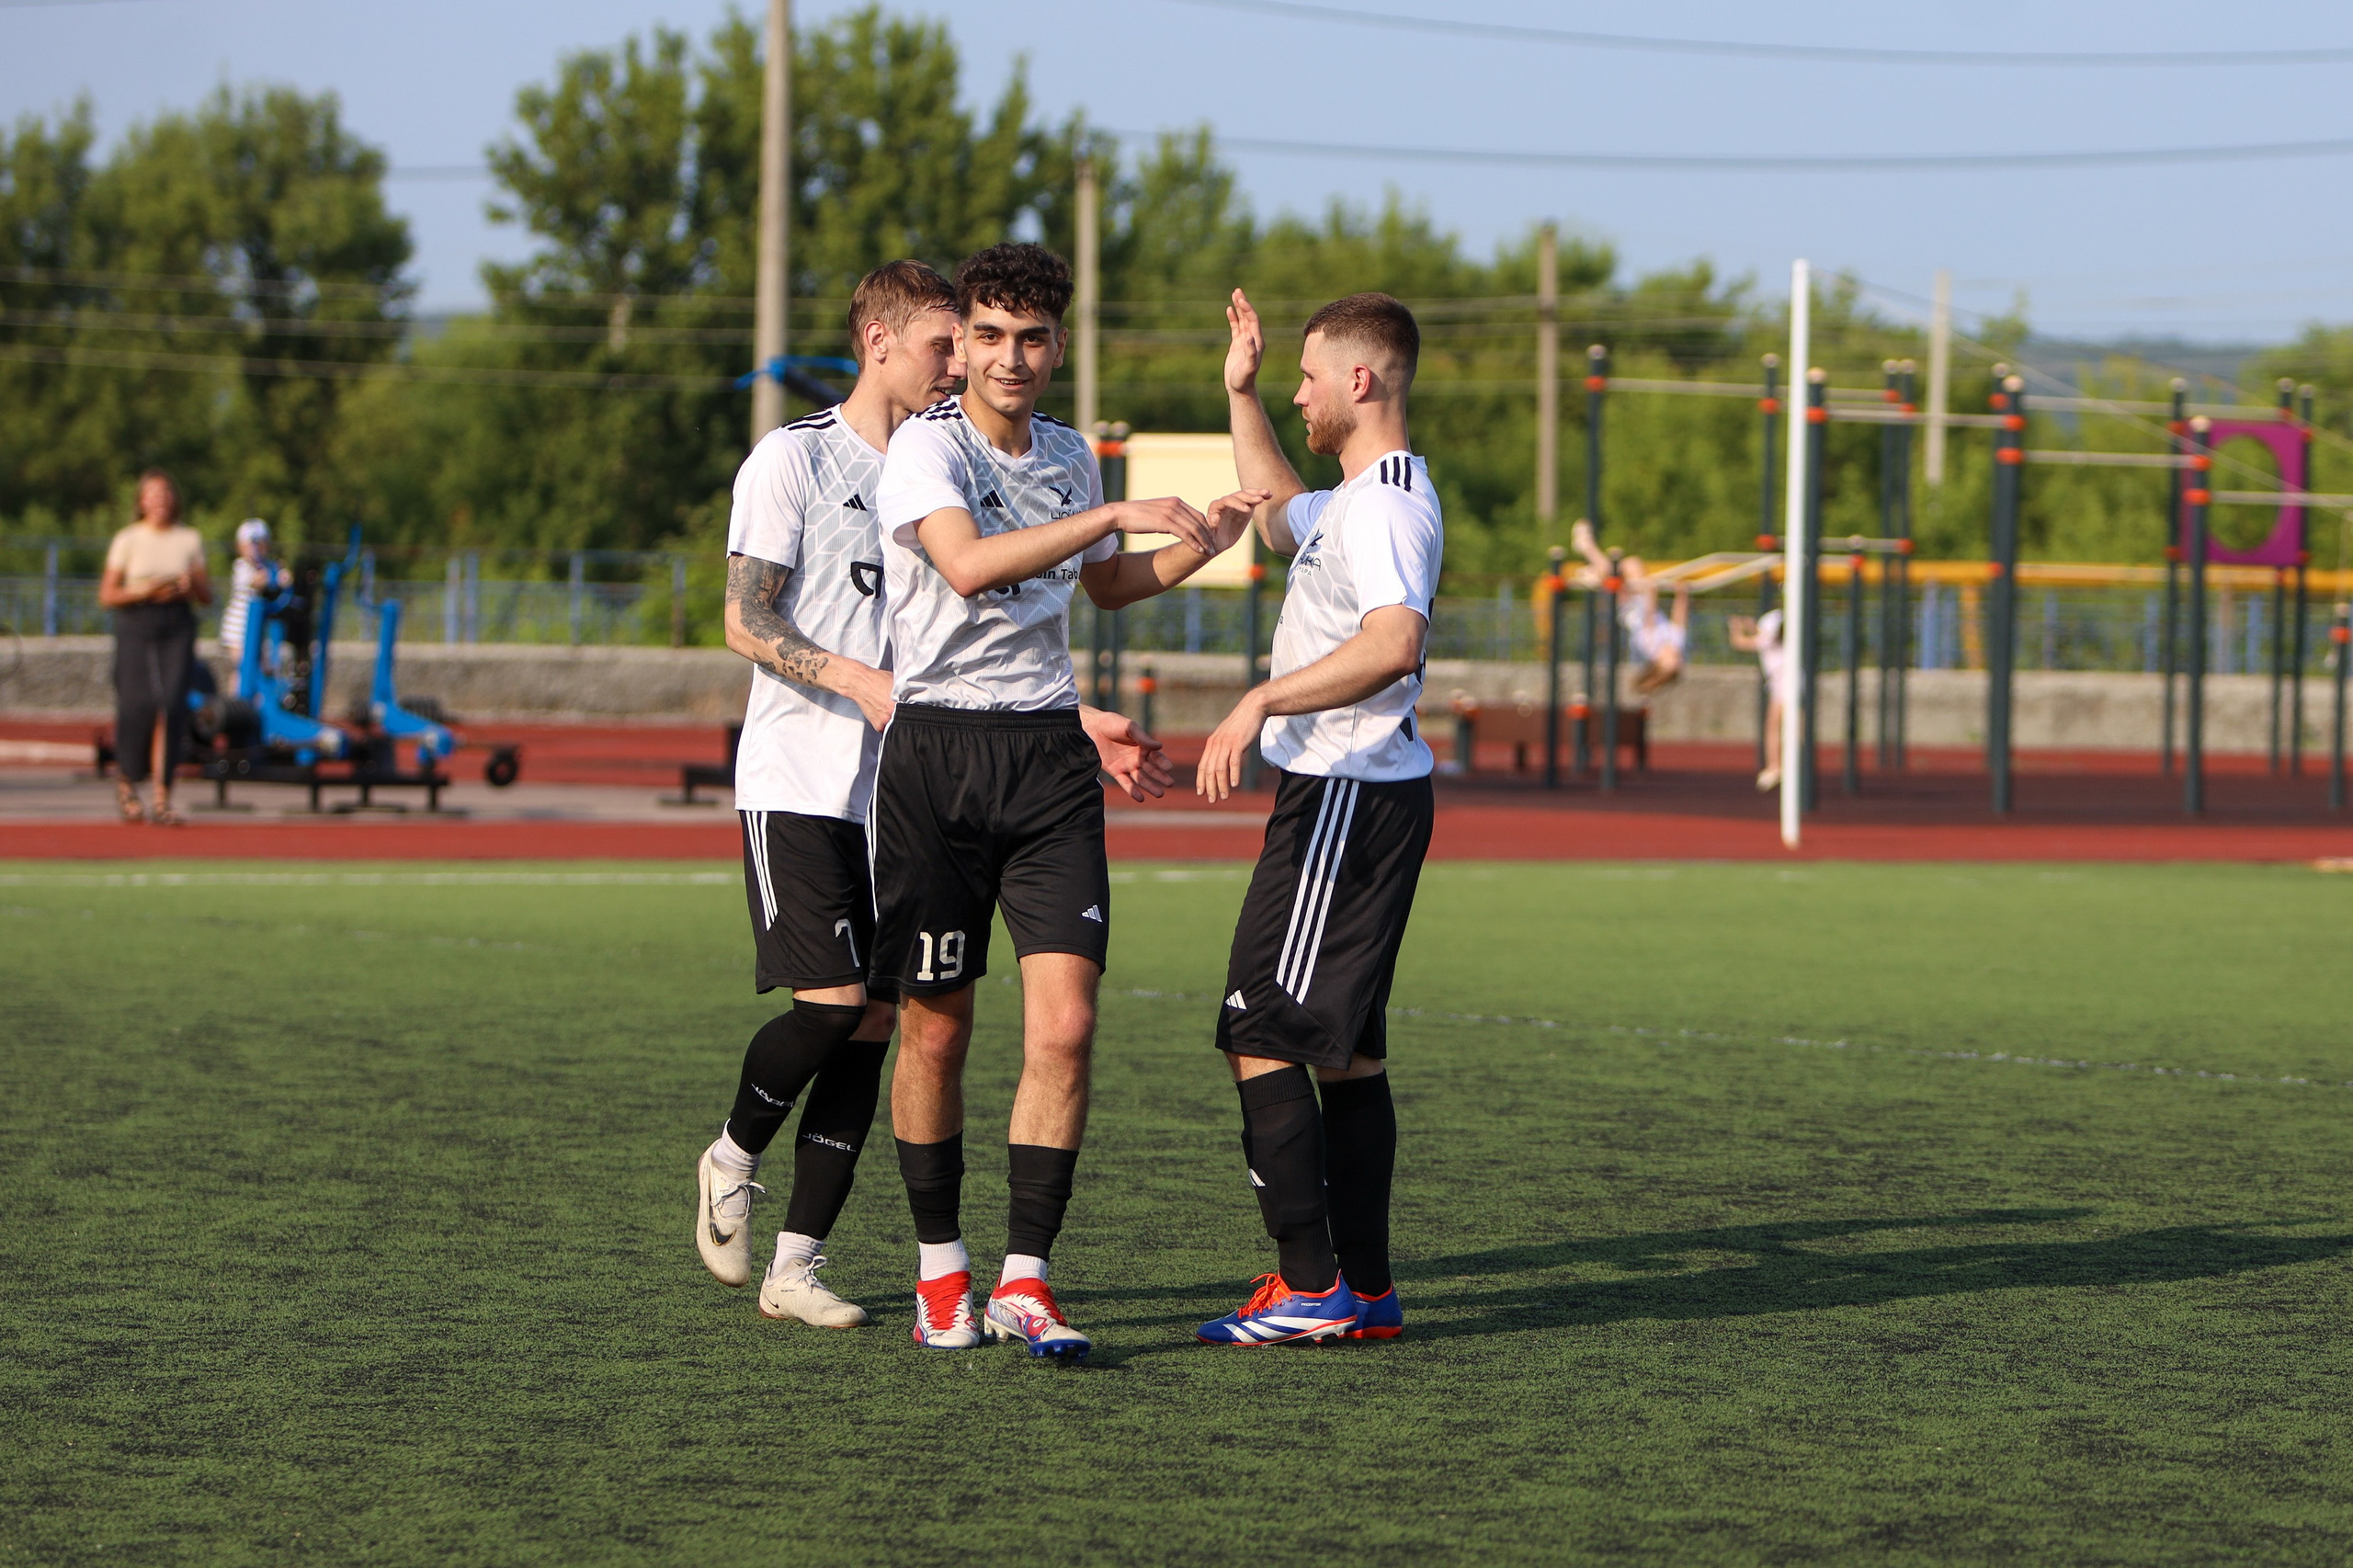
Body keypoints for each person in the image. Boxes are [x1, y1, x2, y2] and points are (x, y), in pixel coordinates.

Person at [695, 258, 1179, 1330]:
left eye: (1010, 339)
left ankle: (801, 1262)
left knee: (885, 1025)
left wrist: (1079, 716)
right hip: (811, 774)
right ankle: (733, 1153)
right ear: (882, 339)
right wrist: (860, 681)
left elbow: (999, 629)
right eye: (952, 340)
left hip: (928, 768)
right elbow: (745, 618)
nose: (971, 360)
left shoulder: (1026, 455)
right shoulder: (807, 458)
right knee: (838, 1010)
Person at [872, 242, 1264, 1360]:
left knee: (1067, 1025)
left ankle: (1024, 1280)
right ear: (967, 338)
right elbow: (966, 567)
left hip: (1045, 760)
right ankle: (939, 1272)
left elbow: (1102, 589)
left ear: (1057, 346)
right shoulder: (921, 451)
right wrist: (1110, 515)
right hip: (938, 754)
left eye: (1031, 339)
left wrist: (1199, 548)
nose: (1008, 357)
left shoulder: (1069, 454)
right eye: (987, 334)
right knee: (937, 1025)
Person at [1190, 289, 1442, 1346]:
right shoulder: (1357, 496)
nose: (1295, 392)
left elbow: (1395, 641)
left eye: (1302, 376)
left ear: (1360, 379)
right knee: (1346, 1055)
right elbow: (1273, 502)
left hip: (1345, 794)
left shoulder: (1383, 505)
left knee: (1257, 1025)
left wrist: (1260, 698)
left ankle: (1309, 1284)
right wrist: (1241, 394)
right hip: (1355, 795)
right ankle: (1368, 1287)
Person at [98, 470, 210, 824]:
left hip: (176, 624)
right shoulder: (128, 539)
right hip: (136, 622)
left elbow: (205, 596)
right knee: (137, 705)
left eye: (165, 494)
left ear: (173, 500)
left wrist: (187, 583)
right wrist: (146, 590)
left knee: (171, 706)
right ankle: (128, 781)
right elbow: (108, 595)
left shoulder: (189, 539)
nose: (160, 501)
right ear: (142, 501)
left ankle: (163, 796)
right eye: (152, 495)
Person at [1568, 517, 1688, 697]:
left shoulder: (1650, 646)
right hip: (1641, 602)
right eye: (1677, 658)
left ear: (1659, 662)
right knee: (1632, 564)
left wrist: (1651, 593)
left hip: (1630, 609)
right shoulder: (1677, 642)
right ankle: (1593, 568)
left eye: (1670, 659)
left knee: (1616, 574)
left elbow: (1648, 617)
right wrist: (1682, 594)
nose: (1674, 655)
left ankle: (1588, 550)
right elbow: (1679, 617)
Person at [218, 519, 283, 696]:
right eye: (251, 545)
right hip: (237, 631)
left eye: (260, 544)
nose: (256, 549)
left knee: (262, 667)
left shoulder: (269, 566)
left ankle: (253, 703)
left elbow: (282, 579)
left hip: (257, 631)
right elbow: (256, 582)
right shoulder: (242, 566)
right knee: (243, 667)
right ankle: (237, 703)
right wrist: (273, 577)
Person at [1730, 607, 1791, 791]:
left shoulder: (1770, 638)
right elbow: (1763, 636)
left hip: (1783, 683)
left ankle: (1776, 767)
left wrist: (1735, 627)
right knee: (1787, 726)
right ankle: (1781, 765)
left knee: (1773, 726)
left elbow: (1739, 642)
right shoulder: (1777, 638)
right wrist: (1752, 627)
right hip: (1785, 681)